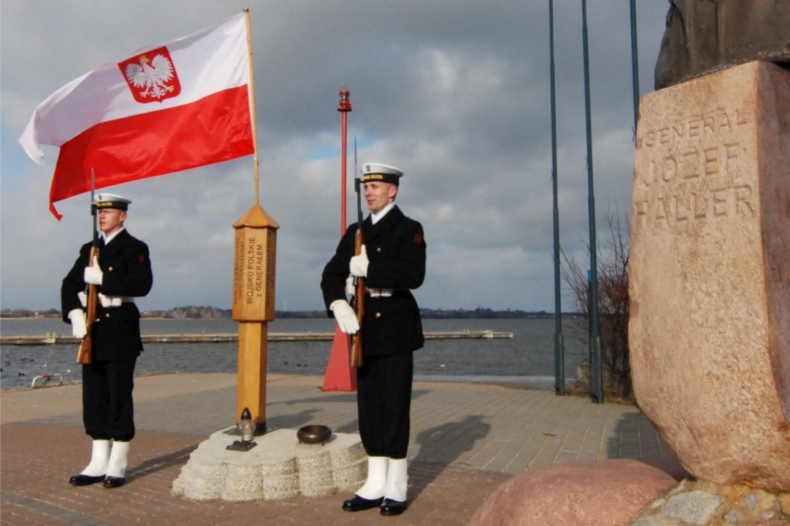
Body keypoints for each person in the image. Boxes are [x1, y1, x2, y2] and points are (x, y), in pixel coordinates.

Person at [321, 162, 426, 516]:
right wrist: (337, 303)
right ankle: (374, 482)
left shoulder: (409, 229)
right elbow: (330, 273)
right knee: (369, 409)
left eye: (376, 186)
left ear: (392, 190)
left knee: (394, 406)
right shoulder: (356, 231)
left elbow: (414, 274)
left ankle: (396, 485)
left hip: (395, 325)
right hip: (364, 327)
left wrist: (370, 269)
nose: (369, 192)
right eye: (366, 187)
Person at [61, 193, 153, 489]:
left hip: (120, 330)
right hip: (94, 331)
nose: (102, 216)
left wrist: (104, 280)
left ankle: (119, 461)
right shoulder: (90, 248)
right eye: (99, 212)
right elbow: (68, 284)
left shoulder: (134, 247)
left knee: (118, 393)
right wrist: (74, 314)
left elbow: (142, 284)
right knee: (95, 395)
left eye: (109, 211)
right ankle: (98, 460)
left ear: (122, 216)